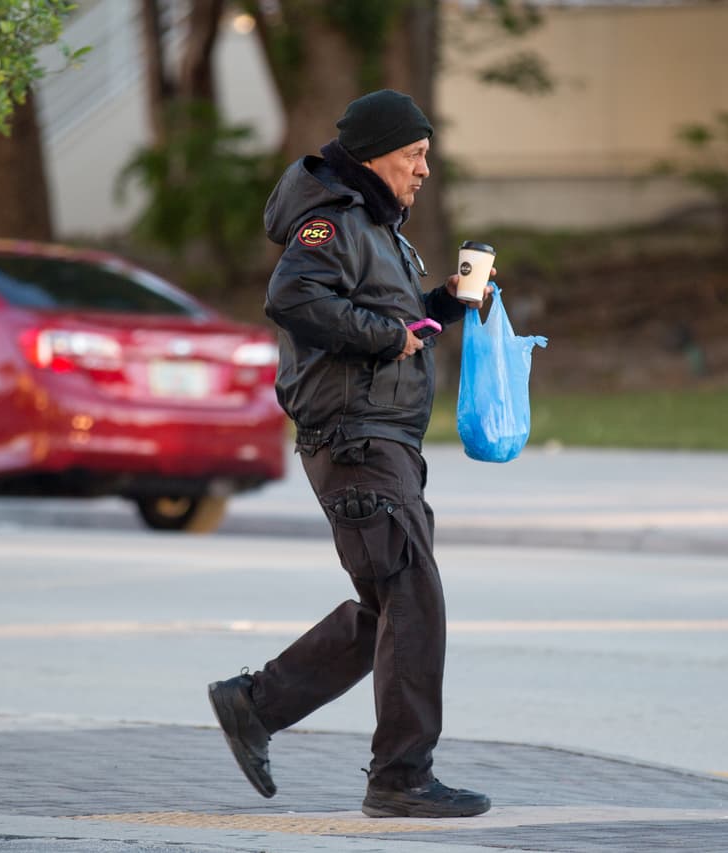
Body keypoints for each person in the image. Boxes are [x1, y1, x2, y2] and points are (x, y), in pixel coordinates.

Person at [207, 89, 493, 820]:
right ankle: (400, 777)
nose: (424, 169)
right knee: (414, 598)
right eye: (414, 155)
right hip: (356, 438)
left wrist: (444, 304)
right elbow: (293, 299)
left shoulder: (376, 226)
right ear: (374, 155)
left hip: (381, 438)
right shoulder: (331, 222)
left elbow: (392, 319)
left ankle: (256, 705)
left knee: (390, 605)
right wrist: (384, 335)